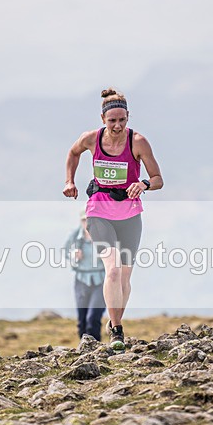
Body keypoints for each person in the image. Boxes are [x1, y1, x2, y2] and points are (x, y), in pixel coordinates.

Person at [62, 88, 164, 352]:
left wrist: (143, 184)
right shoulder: (91, 139)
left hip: (130, 215)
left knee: (125, 278)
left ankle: (114, 319)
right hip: (98, 211)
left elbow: (158, 179)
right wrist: (69, 181)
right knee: (114, 270)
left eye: (122, 120)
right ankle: (117, 329)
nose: (117, 126)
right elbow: (73, 153)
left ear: (128, 116)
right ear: (102, 119)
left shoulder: (138, 142)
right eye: (112, 121)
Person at [65, 211, 106, 342]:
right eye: (84, 220)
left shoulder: (104, 235)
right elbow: (66, 252)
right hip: (81, 279)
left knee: (93, 318)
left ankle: (96, 347)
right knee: (82, 321)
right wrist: (74, 255)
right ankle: (84, 348)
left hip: (101, 280)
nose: (87, 223)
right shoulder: (75, 236)